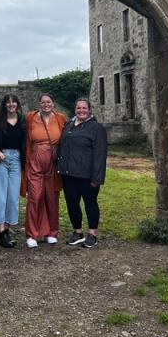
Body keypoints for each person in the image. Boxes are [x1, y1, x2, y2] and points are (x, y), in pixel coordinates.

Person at [57, 97, 108, 249]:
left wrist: (97, 176)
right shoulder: (69, 125)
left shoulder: (96, 128)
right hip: (68, 174)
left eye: (84, 108)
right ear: (75, 109)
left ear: (89, 110)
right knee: (72, 204)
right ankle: (77, 232)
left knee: (90, 203)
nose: (81, 111)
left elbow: (100, 154)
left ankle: (92, 234)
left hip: (87, 176)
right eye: (78, 108)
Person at [22, 93, 68, 248]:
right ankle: (32, 234)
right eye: (43, 102)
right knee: (35, 197)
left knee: (52, 197)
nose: (46, 104)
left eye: (48, 102)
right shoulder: (30, 117)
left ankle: (51, 232)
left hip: (54, 164)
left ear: (53, 103)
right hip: (35, 162)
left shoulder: (61, 118)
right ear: (39, 104)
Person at [0, 94, 26, 249]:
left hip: (16, 161)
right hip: (1, 160)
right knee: (0, 197)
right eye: (8, 102)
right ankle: (1, 233)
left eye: (13, 102)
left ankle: (7, 229)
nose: (11, 104)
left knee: (13, 198)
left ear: (17, 104)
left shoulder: (22, 121)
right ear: (4, 105)